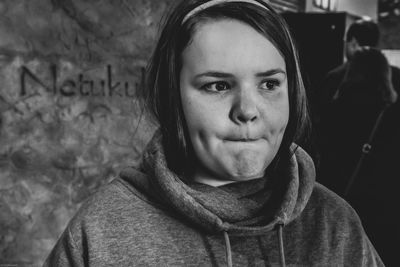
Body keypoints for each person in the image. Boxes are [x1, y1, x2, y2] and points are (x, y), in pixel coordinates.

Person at [43, 0, 384, 266]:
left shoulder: (333, 224)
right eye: (218, 85)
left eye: (269, 84)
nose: (248, 110)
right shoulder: (102, 232)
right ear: (171, 98)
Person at [318, 47, 399, 266]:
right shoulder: (392, 115)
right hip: (387, 212)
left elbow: (323, 161)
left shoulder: (333, 111)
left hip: (344, 203)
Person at [318, 18, 400, 113]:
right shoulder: (397, 75)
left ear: (353, 42)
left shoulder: (335, 77)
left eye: (345, 41)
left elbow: (322, 116)